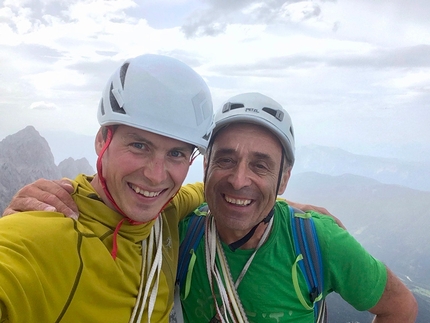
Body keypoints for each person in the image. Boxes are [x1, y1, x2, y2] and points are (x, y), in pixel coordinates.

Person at [0, 53, 215, 322]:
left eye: (176, 154)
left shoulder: (168, 209)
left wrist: (276, 204)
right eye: (139, 145)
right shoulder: (48, 233)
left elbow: (204, 191)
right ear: (102, 140)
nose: (156, 176)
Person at [174, 93, 417, 322]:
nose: (238, 180)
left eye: (260, 165)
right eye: (226, 160)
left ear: (283, 179)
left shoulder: (318, 241)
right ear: (206, 166)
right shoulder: (181, 232)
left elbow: (400, 306)